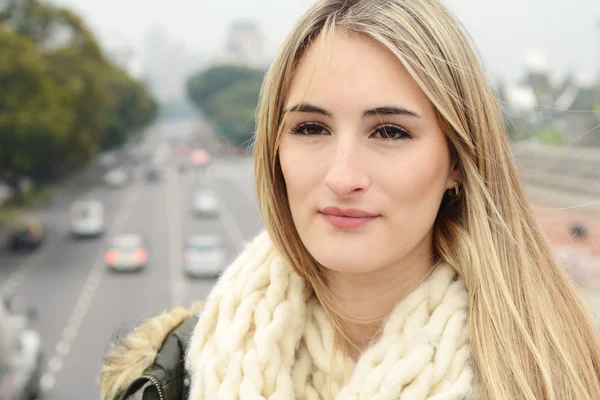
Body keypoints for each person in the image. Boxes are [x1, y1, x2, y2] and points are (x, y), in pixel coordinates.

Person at [99, 0, 600, 398]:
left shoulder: (565, 372)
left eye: (389, 132)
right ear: (275, 149)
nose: (343, 176)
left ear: (457, 162)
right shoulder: (166, 376)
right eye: (311, 127)